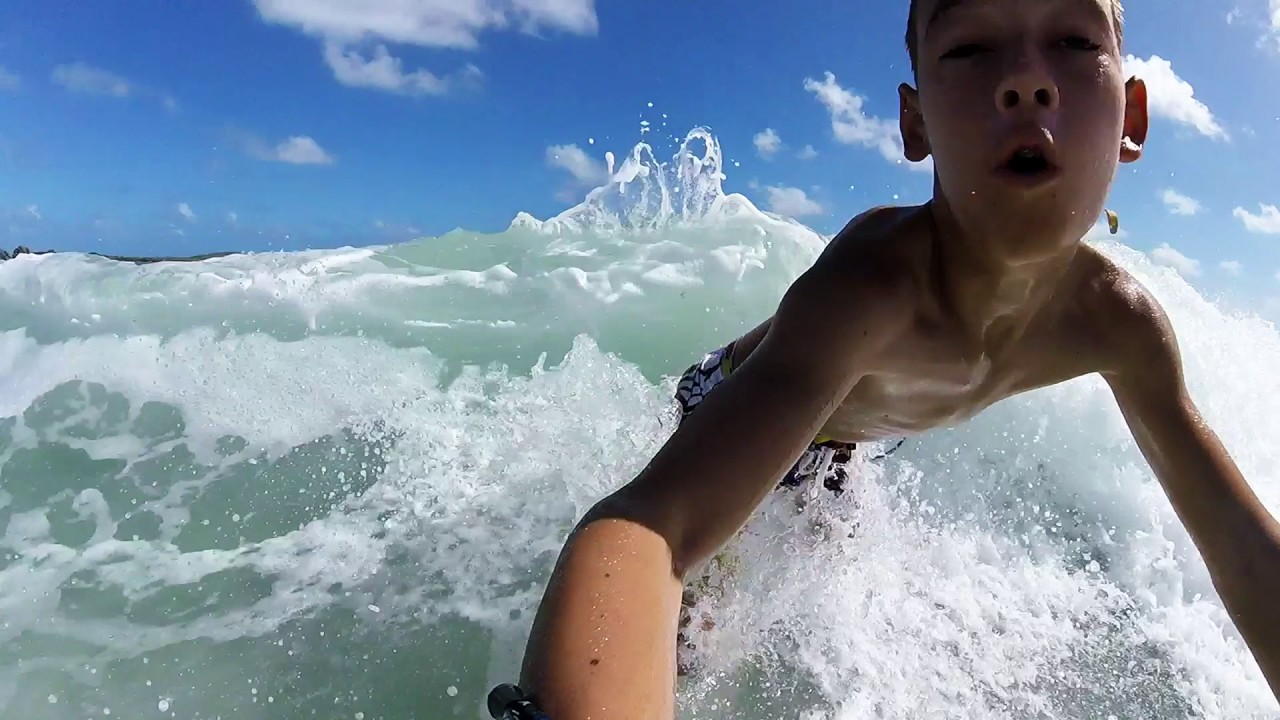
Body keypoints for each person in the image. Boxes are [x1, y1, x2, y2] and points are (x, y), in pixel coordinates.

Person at [505, 0, 1280, 717]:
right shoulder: (871, 290)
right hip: (735, 400)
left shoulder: (1120, 326)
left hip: (841, 449)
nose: (1025, 81)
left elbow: (1243, 551)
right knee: (685, 641)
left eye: (1075, 42)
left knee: (798, 616)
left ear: (1131, 120)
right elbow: (653, 525)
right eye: (971, 48)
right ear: (916, 123)